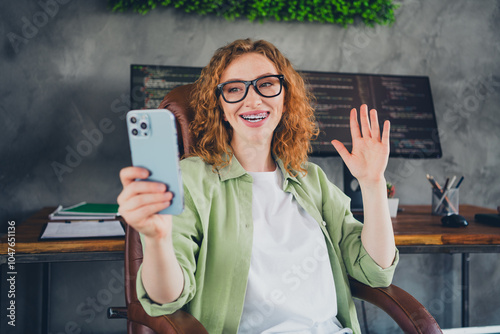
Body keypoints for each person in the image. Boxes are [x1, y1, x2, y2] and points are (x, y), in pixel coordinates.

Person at [117, 38, 398, 334]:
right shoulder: (190, 179)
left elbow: (375, 272)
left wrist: (373, 184)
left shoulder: (311, 179)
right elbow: (167, 298)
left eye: (266, 84)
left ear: (285, 98)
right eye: (235, 89)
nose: (252, 100)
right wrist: (159, 240)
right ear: (220, 107)